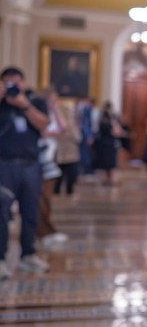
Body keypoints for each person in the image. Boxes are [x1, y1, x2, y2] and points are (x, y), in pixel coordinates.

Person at [0, 67, 51, 279]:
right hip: (4, 164)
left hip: (30, 164)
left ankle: (28, 253)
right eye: (8, 82)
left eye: (17, 82)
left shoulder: (34, 101)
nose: (13, 86)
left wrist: (25, 105)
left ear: (23, 83)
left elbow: (44, 124)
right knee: (2, 212)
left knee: (31, 210)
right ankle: (1, 258)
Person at [36, 88, 69, 248]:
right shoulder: (38, 114)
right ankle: (43, 231)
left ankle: (46, 229)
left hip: (51, 158)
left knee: (47, 198)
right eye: (53, 100)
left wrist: (56, 109)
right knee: (42, 198)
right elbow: (43, 132)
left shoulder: (52, 113)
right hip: (41, 159)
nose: (56, 102)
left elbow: (63, 127)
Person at [54, 102, 81, 196]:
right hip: (61, 153)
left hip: (69, 152)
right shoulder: (59, 124)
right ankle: (59, 190)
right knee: (60, 175)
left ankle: (66, 190)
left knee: (69, 175)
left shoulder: (72, 125)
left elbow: (77, 137)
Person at [92, 101, 121, 186]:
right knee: (110, 163)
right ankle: (110, 179)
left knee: (105, 163)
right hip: (109, 143)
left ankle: (106, 179)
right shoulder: (109, 121)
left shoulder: (101, 120)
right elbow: (117, 132)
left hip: (104, 143)